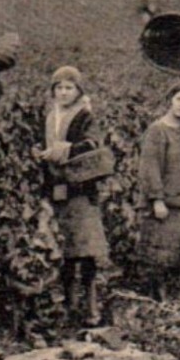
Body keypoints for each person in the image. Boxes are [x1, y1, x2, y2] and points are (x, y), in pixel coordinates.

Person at [39, 66, 110, 324]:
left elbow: (92, 145)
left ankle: (91, 308)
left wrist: (63, 150)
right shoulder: (49, 117)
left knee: (87, 249)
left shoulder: (84, 117)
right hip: (57, 190)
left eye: (69, 87)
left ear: (78, 91)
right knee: (66, 250)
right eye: (59, 88)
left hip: (81, 190)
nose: (64, 92)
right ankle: (70, 306)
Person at [137, 81, 180, 297]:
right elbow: (150, 167)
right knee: (158, 251)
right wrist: (157, 199)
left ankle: (174, 293)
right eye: (179, 99)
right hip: (165, 204)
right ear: (170, 101)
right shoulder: (157, 130)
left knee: (178, 250)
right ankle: (155, 295)